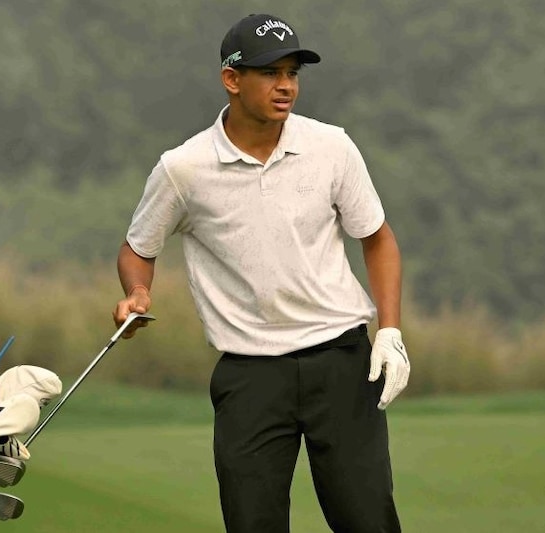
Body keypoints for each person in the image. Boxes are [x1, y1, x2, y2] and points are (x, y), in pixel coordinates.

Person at [112, 13, 410, 533]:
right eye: (271, 73)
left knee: (368, 521)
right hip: (249, 375)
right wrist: (137, 293)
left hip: (340, 362)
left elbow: (378, 239)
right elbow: (138, 248)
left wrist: (389, 331)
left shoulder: (331, 146)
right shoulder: (184, 168)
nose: (286, 86)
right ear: (232, 79)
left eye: (293, 73)